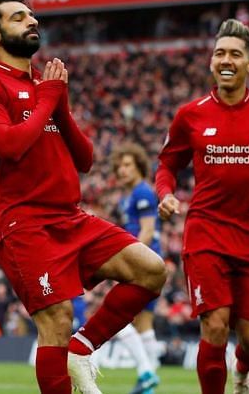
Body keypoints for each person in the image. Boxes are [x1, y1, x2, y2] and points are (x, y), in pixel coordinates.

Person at [0, 0, 167, 394]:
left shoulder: (45, 87)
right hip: (24, 224)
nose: (32, 20)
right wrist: (47, 100)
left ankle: (83, 348)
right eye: (19, 16)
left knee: (151, 270)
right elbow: (10, 147)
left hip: (70, 217)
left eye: (31, 14)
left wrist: (60, 104)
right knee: (55, 317)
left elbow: (85, 158)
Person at [155, 19, 249, 394]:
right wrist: (166, 194)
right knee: (215, 325)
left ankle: (243, 370)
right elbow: (167, 164)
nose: (226, 59)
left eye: (235, 54)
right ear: (211, 62)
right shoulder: (191, 115)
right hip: (205, 232)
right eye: (219, 53)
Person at [111, 143, 163, 394]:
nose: (122, 170)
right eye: (119, 166)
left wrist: (130, 259)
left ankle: (145, 372)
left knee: (115, 319)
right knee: (144, 324)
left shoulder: (142, 193)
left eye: (128, 165)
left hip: (142, 263)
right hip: (149, 262)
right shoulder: (131, 195)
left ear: (139, 166)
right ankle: (149, 384)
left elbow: (148, 231)